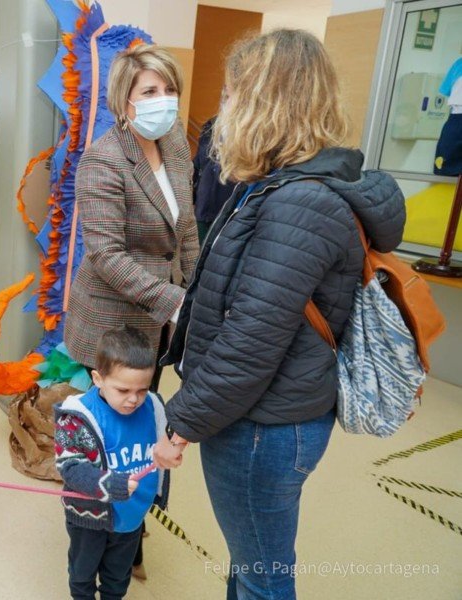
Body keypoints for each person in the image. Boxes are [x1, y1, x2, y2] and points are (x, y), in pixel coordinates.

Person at [157, 30, 406, 600]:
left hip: (261, 426)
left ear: (264, 103)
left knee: (264, 578)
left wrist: (181, 422)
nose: (220, 110)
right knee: (252, 565)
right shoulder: (285, 186)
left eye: (230, 95)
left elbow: (250, 342)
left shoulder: (298, 202)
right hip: (265, 416)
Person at [63, 43, 199, 394]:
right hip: (113, 322)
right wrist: (176, 301)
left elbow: (185, 229)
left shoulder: (175, 143)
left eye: (170, 89)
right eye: (150, 92)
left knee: (145, 406)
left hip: (160, 322)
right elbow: (106, 255)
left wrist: (199, 287)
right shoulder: (103, 160)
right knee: (115, 415)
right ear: (124, 101)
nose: (164, 100)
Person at [54, 325, 173, 600]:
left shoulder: (154, 407)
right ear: (98, 378)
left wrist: (173, 446)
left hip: (132, 515)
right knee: (82, 576)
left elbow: (169, 437)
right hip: (89, 520)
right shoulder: (77, 417)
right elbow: (70, 468)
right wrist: (109, 483)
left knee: (118, 579)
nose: (133, 399)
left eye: (142, 389)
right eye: (123, 389)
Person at [192, 114, 236, 244]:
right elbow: (199, 165)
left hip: (229, 215)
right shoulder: (211, 126)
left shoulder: (252, 128)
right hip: (203, 211)